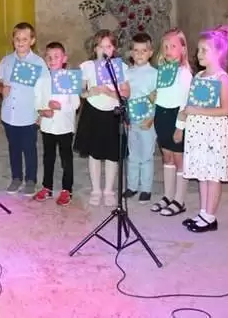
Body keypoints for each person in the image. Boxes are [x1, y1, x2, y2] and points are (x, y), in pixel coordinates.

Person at [181, 26, 228, 233]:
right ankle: (203, 212)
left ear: (218, 53)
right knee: (202, 173)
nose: (199, 54)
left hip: (213, 133)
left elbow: (226, 109)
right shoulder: (199, 75)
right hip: (198, 133)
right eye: (198, 50)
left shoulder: (222, 78)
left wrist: (197, 110)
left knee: (213, 175)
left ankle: (211, 217)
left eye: (204, 50)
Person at [73, 29, 131, 207]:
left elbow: (126, 92)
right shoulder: (87, 66)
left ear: (114, 49)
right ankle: (96, 189)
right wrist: (91, 91)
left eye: (108, 46)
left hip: (113, 112)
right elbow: (80, 91)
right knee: (95, 153)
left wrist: (109, 92)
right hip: (93, 112)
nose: (104, 50)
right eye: (100, 46)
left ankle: (109, 190)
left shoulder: (120, 67)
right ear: (94, 48)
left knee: (113, 154)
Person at [0, 22, 49, 196]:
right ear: (13, 40)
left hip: (28, 114)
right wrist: (1, 89)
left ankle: (31, 179)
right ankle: (16, 177)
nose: (20, 42)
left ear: (32, 41)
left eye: (25, 39)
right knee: (14, 148)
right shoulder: (6, 61)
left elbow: (44, 90)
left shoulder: (38, 63)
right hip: (9, 114)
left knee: (29, 148)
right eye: (17, 39)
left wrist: (41, 113)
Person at [149, 28, 194, 217]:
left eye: (173, 46)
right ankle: (168, 196)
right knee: (167, 157)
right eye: (165, 46)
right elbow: (161, 94)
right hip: (162, 115)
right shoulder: (162, 71)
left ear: (183, 49)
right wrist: (153, 98)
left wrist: (180, 127)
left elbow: (185, 102)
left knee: (178, 159)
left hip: (177, 117)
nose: (168, 50)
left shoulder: (184, 73)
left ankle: (179, 200)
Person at [33, 42, 80, 206]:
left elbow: (76, 103)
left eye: (56, 57)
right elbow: (37, 100)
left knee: (66, 158)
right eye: (49, 57)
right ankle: (47, 187)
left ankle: (67, 189)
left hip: (65, 126)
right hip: (47, 126)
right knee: (48, 157)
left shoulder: (69, 78)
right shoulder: (41, 80)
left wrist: (61, 107)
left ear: (64, 59)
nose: (52, 60)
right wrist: (42, 111)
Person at [123, 33, 158, 204]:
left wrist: (152, 118)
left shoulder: (154, 74)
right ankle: (132, 186)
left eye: (143, 51)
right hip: (132, 120)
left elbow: (157, 98)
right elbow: (125, 97)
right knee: (132, 154)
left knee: (146, 155)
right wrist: (126, 117)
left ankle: (146, 188)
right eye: (136, 50)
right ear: (131, 53)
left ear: (150, 53)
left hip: (147, 121)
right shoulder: (127, 73)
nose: (139, 54)